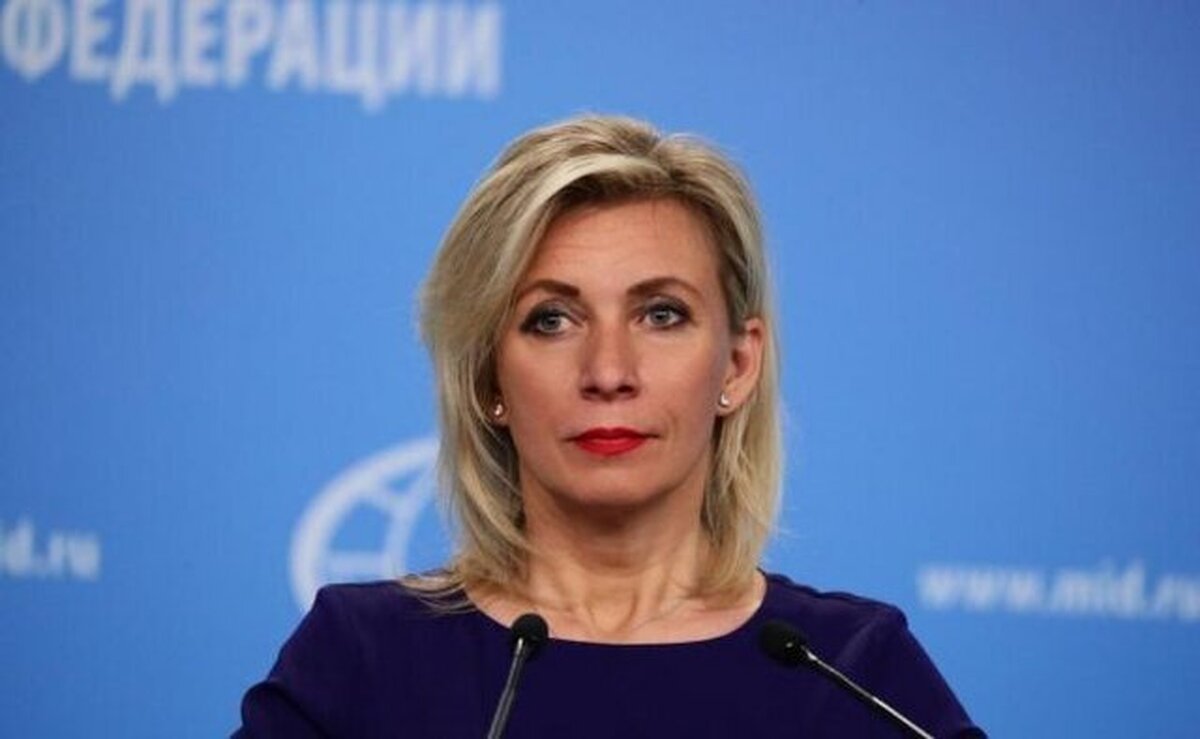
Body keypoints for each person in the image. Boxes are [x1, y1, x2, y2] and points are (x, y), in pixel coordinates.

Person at [235, 115, 985, 737]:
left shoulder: (853, 671)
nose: (608, 370)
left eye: (661, 314)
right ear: (488, 377)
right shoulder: (362, 659)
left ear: (736, 365)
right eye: (551, 319)